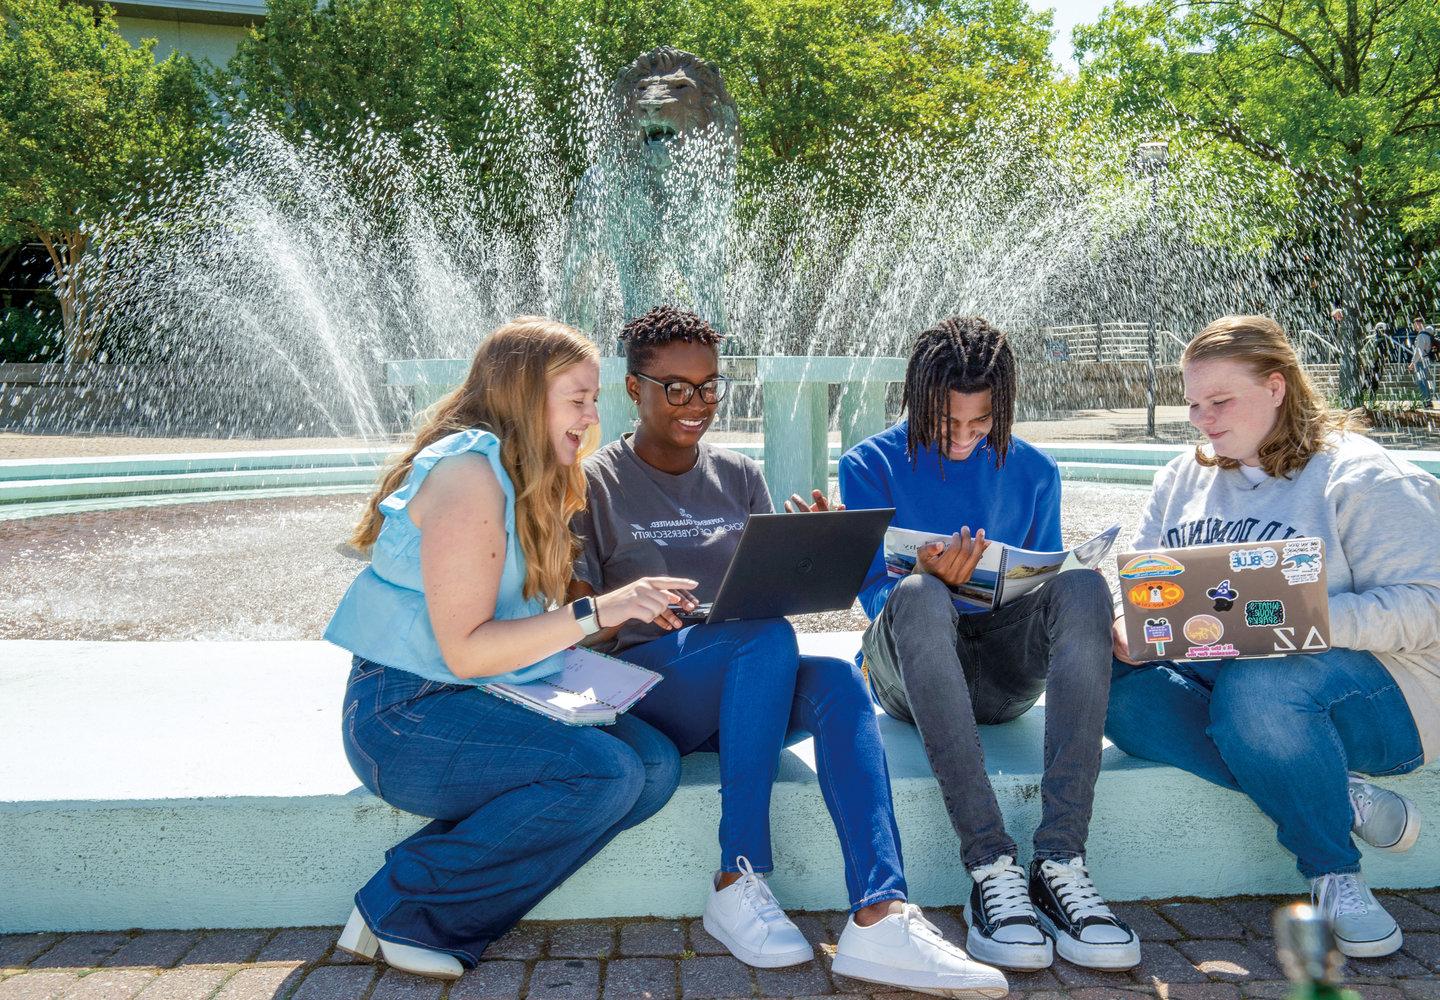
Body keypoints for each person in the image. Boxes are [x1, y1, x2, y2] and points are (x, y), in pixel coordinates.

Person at [568, 305, 1008, 997]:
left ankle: (880, 913)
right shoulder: (594, 482)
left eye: (710, 386)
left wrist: (813, 550)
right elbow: (579, 625)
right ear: (633, 389)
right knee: (762, 638)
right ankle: (737, 876)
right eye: (676, 388)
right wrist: (640, 602)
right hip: (653, 687)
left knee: (835, 679)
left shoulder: (740, 475)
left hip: (747, 682)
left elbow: (767, 596)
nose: (697, 403)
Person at [324, 318, 697, 979]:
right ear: (526, 393)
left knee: (655, 766)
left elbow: (515, 635)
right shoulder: (469, 474)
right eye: (577, 397)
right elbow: (466, 652)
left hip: (482, 695)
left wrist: (610, 619)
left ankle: (420, 883)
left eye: (593, 398)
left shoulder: (527, 475)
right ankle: (410, 908)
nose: (592, 414)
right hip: (405, 714)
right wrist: (596, 611)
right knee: (604, 773)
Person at [1105, 314, 1440, 959]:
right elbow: (1145, 584)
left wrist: (1296, 618)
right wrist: (1129, 623)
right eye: (1194, 403)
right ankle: (1336, 793)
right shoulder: (1181, 477)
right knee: (1110, 682)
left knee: (1259, 682)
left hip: (1388, 699)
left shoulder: (1363, 476)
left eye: (1221, 401)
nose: (1203, 419)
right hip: (1242, 687)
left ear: (1278, 386)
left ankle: (1332, 872)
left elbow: (1428, 607)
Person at [840, 316, 1141, 973]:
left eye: (981, 426)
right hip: (907, 675)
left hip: (1001, 673)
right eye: (949, 425)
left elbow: (1043, 582)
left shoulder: (1035, 469)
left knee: (1087, 588)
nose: (965, 439)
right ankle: (991, 868)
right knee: (919, 595)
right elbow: (872, 599)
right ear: (915, 403)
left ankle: (1060, 861)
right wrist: (925, 578)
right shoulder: (867, 464)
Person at [1410, 316, 1435, 408]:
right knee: (1424, 381)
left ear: (1419, 324)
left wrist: (1413, 362)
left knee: (1421, 382)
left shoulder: (1421, 335)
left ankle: (1426, 402)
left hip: (1421, 361)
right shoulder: (1428, 334)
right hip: (1426, 360)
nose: (1415, 327)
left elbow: (1418, 351)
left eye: (1415, 325)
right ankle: (1428, 401)